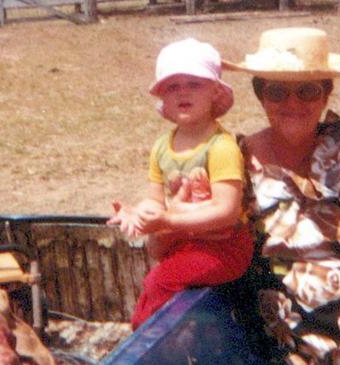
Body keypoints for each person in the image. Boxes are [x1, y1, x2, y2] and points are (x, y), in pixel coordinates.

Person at [170, 27, 340, 363]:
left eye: (307, 91)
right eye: (277, 92)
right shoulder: (238, 159)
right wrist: (180, 209)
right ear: (260, 95)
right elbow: (191, 240)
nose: (293, 104)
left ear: (325, 95)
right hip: (293, 352)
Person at [107, 38, 254, 330]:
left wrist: (169, 220)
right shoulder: (162, 147)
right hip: (187, 240)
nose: (183, 91)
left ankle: (145, 346)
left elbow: (226, 210)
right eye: (172, 86)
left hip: (225, 244)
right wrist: (140, 214)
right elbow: (157, 202)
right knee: (160, 277)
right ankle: (161, 340)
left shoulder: (220, 146)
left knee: (160, 282)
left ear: (215, 91)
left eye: (194, 83)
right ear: (163, 96)